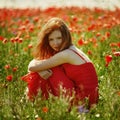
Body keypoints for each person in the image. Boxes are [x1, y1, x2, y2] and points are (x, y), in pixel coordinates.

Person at [22, 17, 98, 110]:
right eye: (51, 39)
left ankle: (31, 101)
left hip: (81, 101)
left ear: (66, 37)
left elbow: (32, 67)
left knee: (48, 69)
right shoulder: (71, 49)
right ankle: (34, 101)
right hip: (90, 99)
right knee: (45, 67)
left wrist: (40, 70)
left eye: (59, 38)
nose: (55, 43)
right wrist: (40, 69)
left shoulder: (65, 54)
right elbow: (37, 62)